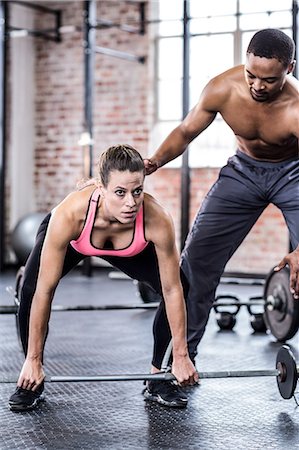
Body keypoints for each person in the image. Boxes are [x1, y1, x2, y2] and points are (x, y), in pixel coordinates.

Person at [144, 28, 299, 366]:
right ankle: (175, 362)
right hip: (243, 172)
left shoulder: (297, 109)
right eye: (251, 75)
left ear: (289, 69)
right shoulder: (222, 88)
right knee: (195, 262)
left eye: (269, 80)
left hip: (294, 174)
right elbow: (186, 132)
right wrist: (154, 161)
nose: (257, 86)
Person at [8, 144, 198, 412]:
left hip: (127, 247)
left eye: (137, 191)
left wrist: (181, 355)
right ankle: (31, 380)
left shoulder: (157, 219)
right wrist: (33, 358)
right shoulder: (69, 215)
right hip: (77, 241)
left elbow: (171, 290)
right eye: (120, 192)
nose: (130, 203)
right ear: (101, 186)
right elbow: (45, 292)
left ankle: (158, 377)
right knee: (32, 287)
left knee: (182, 283)